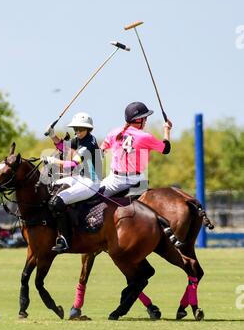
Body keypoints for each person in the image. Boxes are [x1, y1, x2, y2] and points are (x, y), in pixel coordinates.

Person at [41, 112, 102, 253]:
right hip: (81, 178)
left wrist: (53, 161)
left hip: (91, 183)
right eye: (75, 129)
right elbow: (63, 147)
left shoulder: (88, 144)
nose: (77, 132)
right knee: (51, 186)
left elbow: (73, 164)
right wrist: (52, 134)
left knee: (57, 202)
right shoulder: (80, 138)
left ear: (88, 129)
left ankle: (66, 239)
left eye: (80, 129)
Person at [100, 101, 172, 197]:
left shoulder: (114, 133)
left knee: (92, 196)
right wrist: (167, 130)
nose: (146, 121)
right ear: (138, 120)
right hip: (138, 180)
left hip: (115, 181)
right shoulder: (145, 137)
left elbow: (100, 151)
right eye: (145, 118)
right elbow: (166, 149)